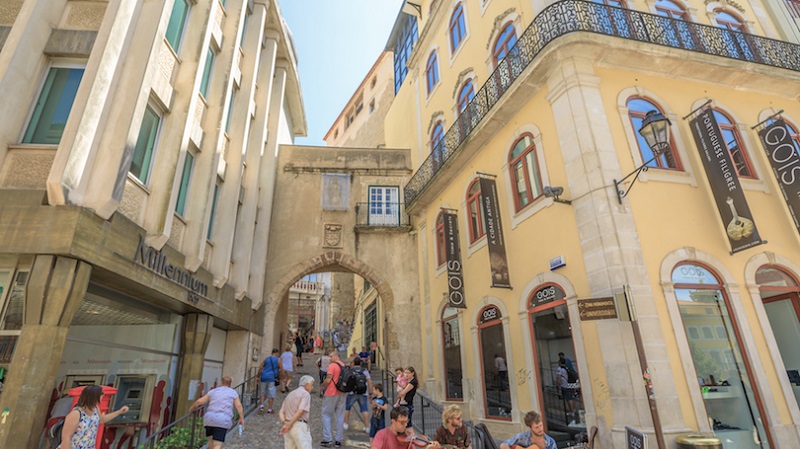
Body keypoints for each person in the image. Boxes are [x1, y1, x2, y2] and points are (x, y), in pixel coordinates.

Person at [60, 385, 129, 449]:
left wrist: (119, 412)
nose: (103, 395)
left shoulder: (95, 408)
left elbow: (101, 419)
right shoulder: (76, 413)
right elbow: (66, 437)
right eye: (101, 393)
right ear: (94, 396)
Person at [189, 376, 244, 449]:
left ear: (221, 382)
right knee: (217, 444)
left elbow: (200, 401)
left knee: (211, 440)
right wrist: (241, 418)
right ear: (230, 384)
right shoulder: (233, 393)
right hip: (222, 419)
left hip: (209, 419)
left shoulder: (213, 391)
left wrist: (192, 408)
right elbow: (238, 405)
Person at [371, 406, 439, 449]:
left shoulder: (408, 437)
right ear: (393, 421)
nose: (405, 425)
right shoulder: (382, 434)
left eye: (407, 421)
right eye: (402, 422)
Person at [279, 375, 316, 449]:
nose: (312, 387)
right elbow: (300, 411)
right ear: (307, 384)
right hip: (299, 426)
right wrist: (290, 424)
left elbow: (281, 412)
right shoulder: (305, 394)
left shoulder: (291, 394)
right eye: (312, 385)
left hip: (288, 427)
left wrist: (285, 422)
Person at [320, 351, 347, 447]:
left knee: (326, 414)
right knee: (340, 416)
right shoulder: (344, 365)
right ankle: (338, 439)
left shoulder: (332, 366)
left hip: (331, 392)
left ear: (336, 356)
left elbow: (328, 379)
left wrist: (322, 386)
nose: (329, 358)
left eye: (331, 356)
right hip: (342, 392)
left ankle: (328, 439)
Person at [344, 357, 372, 432]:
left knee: (347, 408)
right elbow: (369, 382)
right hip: (363, 392)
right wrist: (370, 393)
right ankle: (367, 427)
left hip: (352, 392)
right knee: (364, 409)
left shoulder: (351, 371)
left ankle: (346, 424)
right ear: (360, 363)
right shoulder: (365, 371)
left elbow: (346, 380)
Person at [259, 348, 281, 414]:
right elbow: (281, 369)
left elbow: (260, 367)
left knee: (262, 392)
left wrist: (257, 376)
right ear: (277, 353)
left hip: (263, 377)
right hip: (271, 378)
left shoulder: (266, 359)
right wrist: (282, 378)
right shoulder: (278, 360)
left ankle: (261, 406)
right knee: (271, 393)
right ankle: (269, 409)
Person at [556, 359, 576, 424]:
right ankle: (573, 410)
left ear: (560, 362)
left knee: (568, 399)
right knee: (571, 398)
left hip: (564, 386)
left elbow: (559, 377)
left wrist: (558, 384)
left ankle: (571, 411)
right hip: (570, 384)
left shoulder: (559, 369)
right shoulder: (567, 367)